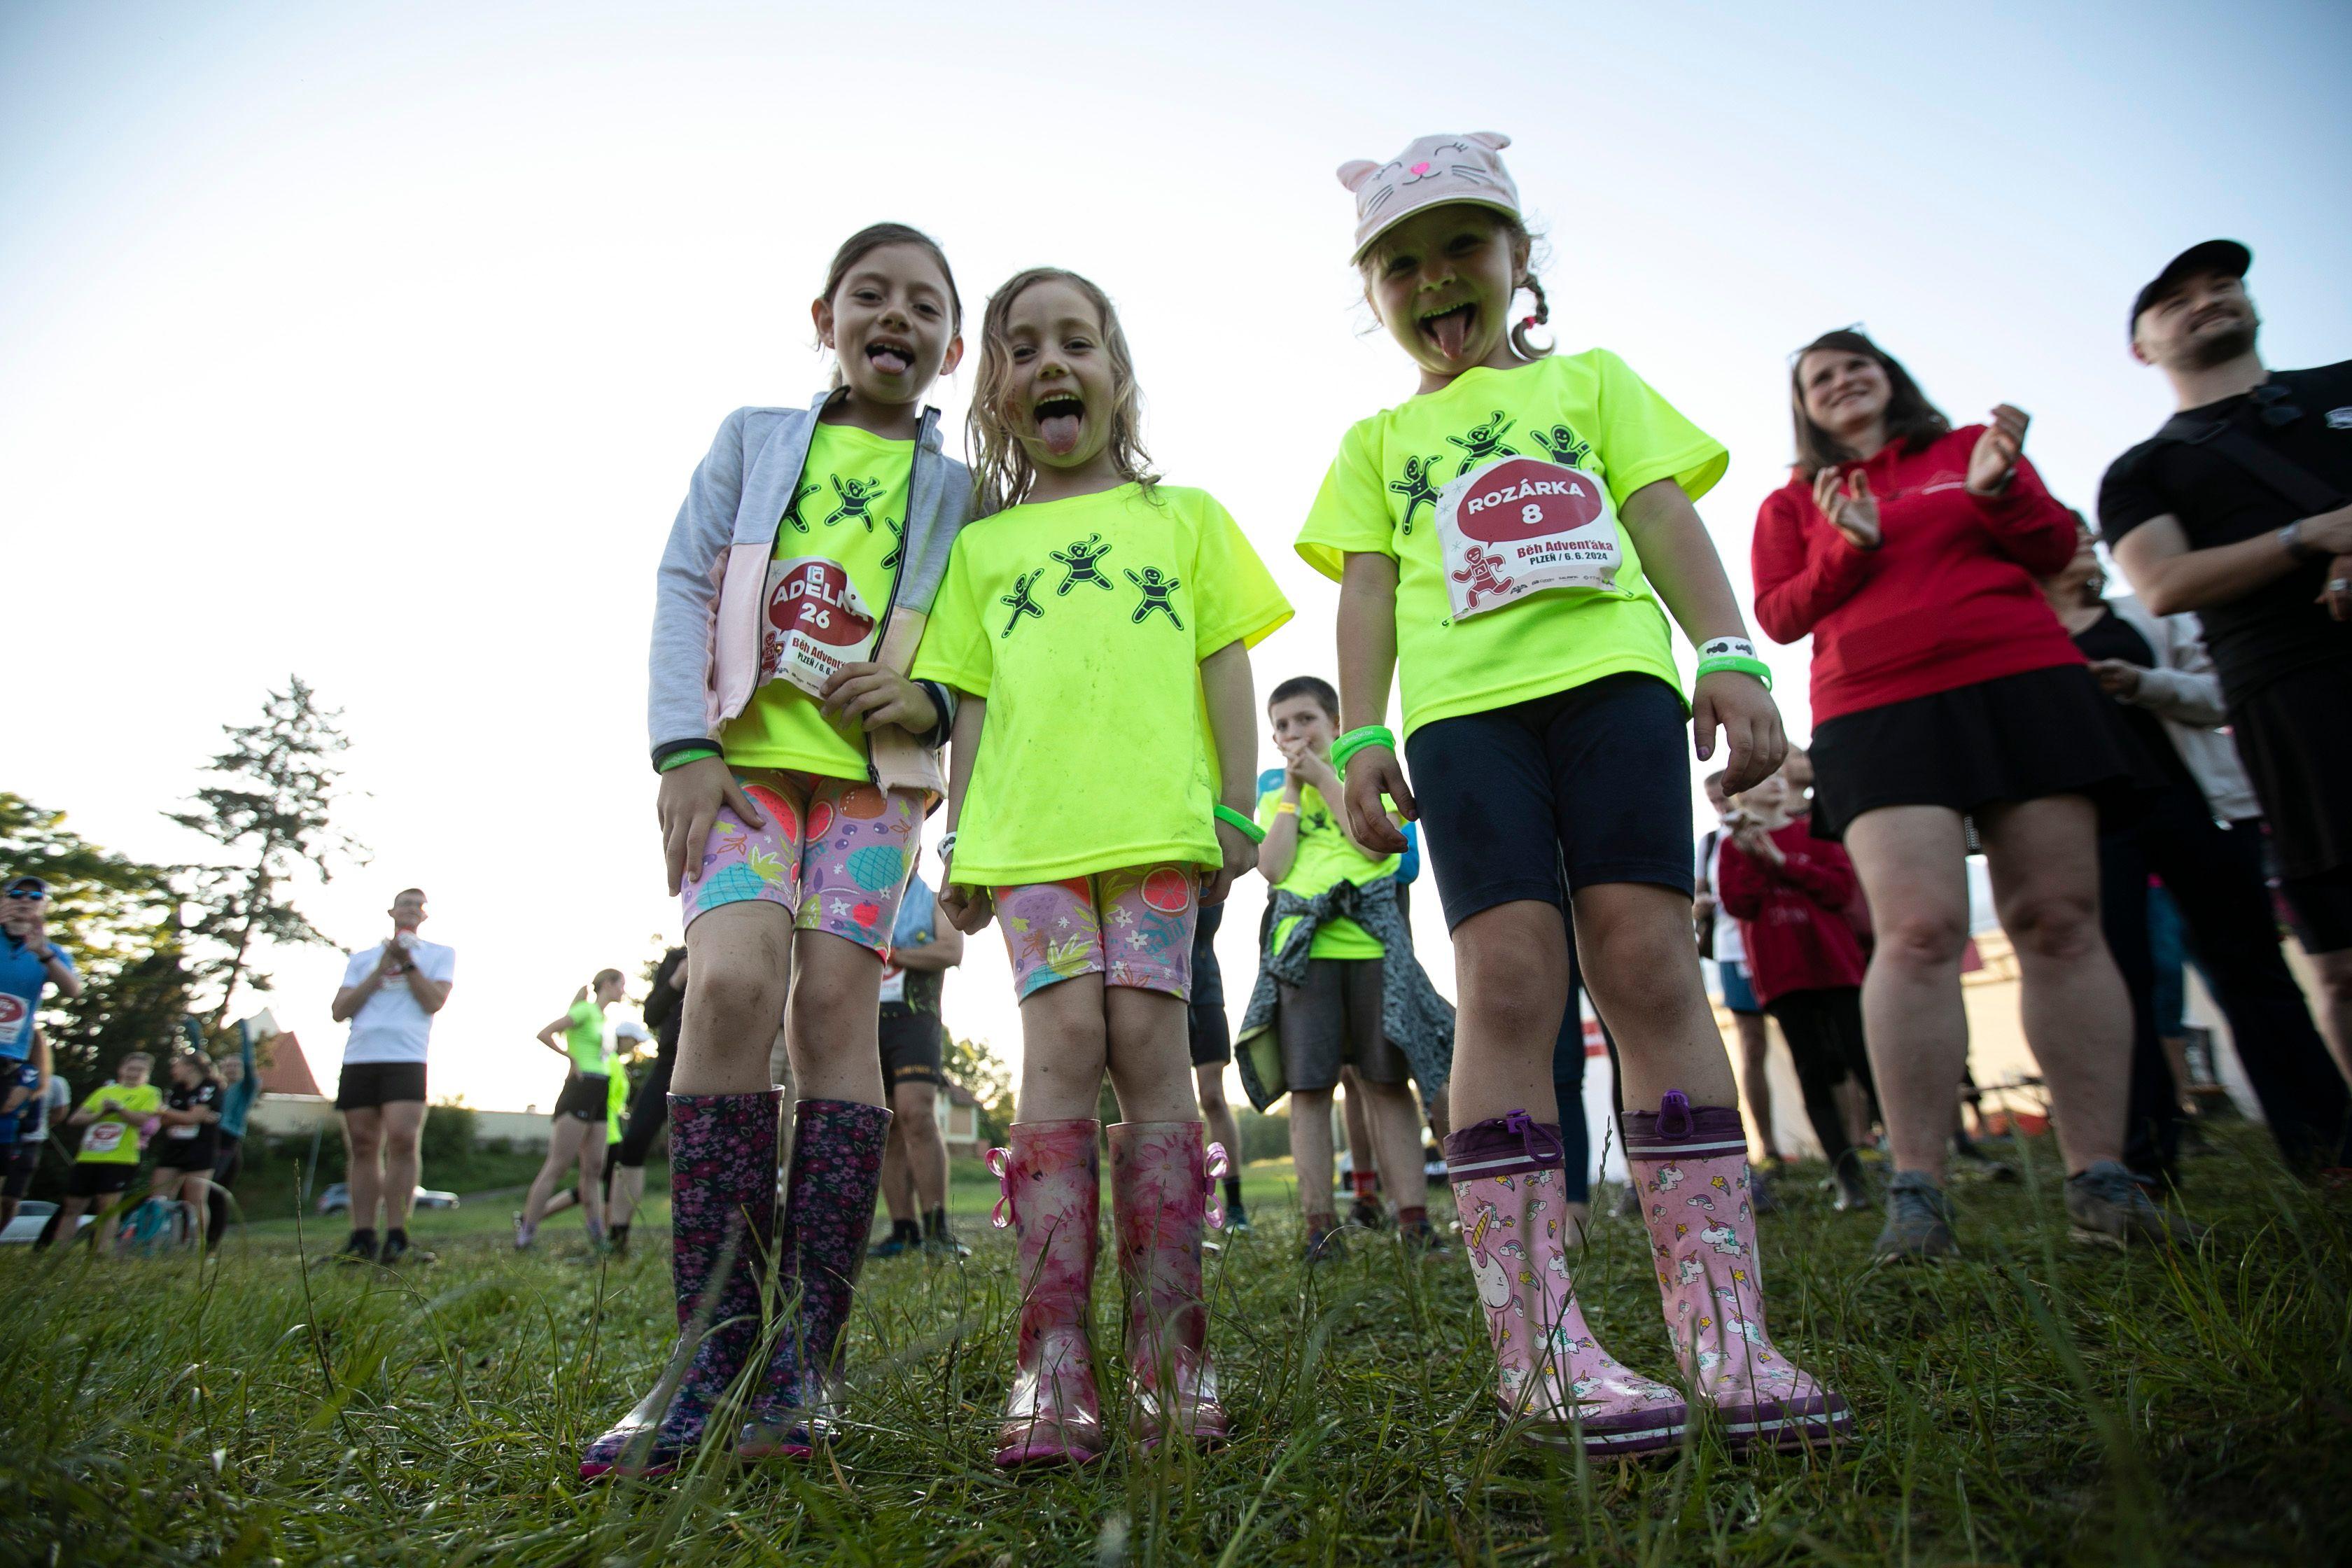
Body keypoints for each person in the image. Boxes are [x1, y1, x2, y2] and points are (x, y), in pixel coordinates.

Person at [1308, 131, 1844, 1457]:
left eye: (1463, 248)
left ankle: (1726, 1333)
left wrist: (1727, 652)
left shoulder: (1596, 383)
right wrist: (1362, 732)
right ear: (1372, 295)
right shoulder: (1377, 440)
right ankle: (1539, 1350)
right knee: (1507, 979)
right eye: (1402, 266)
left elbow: (1661, 516)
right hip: (1464, 720)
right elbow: (1366, 589)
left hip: (1618, 692)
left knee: (1649, 966)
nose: (1437, 281)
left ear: (1519, 258)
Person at [586, 225, 974, 1481]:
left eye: (925, 305)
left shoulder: (962, 492)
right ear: (825, 317)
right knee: (730, 987)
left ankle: (806, 1361)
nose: (896, 317)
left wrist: (930, 705)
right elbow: (684, 581)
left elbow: (974, 643)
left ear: (951, 348)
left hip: (872, 789)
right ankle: (709, 1353)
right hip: (743, 768)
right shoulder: (753, 438)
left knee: (836, 1014)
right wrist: (681, 744)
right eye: (872, 295)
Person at [918, 267, 1290, 1467]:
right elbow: (971, 704)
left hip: (1159, 835)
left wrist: (1236, 805)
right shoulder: (984, 548)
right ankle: (1053, 1363)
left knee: (1149, 1045)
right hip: (1028, 841)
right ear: (997, 391)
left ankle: (1174, 1354)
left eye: (1076, 342)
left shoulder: (1186, 519)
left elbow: (1226, 660)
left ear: (1117, 376)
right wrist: (961, 838)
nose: (1051, 364)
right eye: (1022, 348)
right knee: (1065, 1043)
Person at [1754, 326, 2194, 1260]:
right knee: (1917, 931)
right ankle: (1917, 1190)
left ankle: (2100, 1179)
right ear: (1804, 405)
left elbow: (2054, 547)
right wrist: (1848, 547)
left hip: (2021, 679)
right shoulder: (1796, 499)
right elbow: (1782, 613)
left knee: (2060, 920)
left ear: (1889, 377)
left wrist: (2000, 488)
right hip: (1876, 707)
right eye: (1821, 377)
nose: (1842, 382)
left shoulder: (1970, 451)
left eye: (1857, 365)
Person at [2099, 239, 2352, 1087]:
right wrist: (2309, 537)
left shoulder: (2342, 386)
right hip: (2291, 699)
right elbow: (2165, 582)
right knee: (2340, 956)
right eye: (2177, 301)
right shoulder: (2143, 471)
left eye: (2223, 284)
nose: (2208, 300)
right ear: (2142, 347)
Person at [2038, 515, 2351, 1178]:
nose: (2089, 541)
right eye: (2071, 532)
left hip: (2193, 807)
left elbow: (2221, 695)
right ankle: (2144, 1167)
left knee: (2253, 969)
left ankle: (2325, 1146)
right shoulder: (2021, 639)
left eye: (2090, 533)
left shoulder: (2146, 617)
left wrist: (2142, 683)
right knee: (2117, 987)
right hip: (2094, 829)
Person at [1242, 673, 1450, 1258]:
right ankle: (1320, 1227)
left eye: (1305, 720)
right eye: (1282, 725)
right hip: (1304, 954)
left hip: (1373, 947)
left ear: (1334, 724)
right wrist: (1292, 791)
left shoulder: (1362, 781)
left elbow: (1373, 846)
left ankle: (1414, 1220)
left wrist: (1326, 781)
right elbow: (1273, 867)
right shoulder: (1274, 794)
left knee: (1386, 1082)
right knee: (1309, 1088)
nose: (1294, 733)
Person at [1714, 772, 1877, 1210]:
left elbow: (1841, 889)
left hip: (1836, 965)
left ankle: (1902, 1158)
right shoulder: (1731, 848)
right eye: (1762, 777)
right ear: (1740, 793)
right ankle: (1846, 1174)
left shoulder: (1813, 831)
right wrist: (1755, 857)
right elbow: (1739, 904)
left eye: (1779, 775)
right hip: (1782, 972)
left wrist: (1781, 861)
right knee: (1811, 1069)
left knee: (1863, 1058)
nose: (1775, 782)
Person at [328, 888, 455, 1265]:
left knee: (403, 1138)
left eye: (418, 905)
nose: (411, 909)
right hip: (361, 1056)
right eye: (405, 904)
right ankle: (362, 1236)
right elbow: (340, 1010)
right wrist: (382, 966)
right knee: (363, 1145)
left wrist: (407, 964)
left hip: (406, 1056)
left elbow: (433, 1001)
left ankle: (398, 1235)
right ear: (392, 911)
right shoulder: (363, 959)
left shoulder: (439, 955)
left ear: (425, 916)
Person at [869, 874, 968, 1259]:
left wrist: (893, 954)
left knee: (917, 1115)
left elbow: (950, 950)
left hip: (915, 1020)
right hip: (867, 1021)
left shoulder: (933, 900)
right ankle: (903, 1230)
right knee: (887, 1125)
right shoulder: (863, 892)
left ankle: (937, 1230)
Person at [1695, 771, 1781, 1169]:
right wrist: (1701, 906)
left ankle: (1852, 1138)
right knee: (1751, 1045)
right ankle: (1768, 1147)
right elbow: (1699, 894)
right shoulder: (1710, 843)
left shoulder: (1770, 829)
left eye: (1725, 796)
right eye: (1713, 800)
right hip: (1733, 951)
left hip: (1778, 942)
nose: (1721, 805)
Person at [517, 970, 624, 1249]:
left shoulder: (602, 1018)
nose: (623, 991)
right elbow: (545, 1033)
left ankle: (598, 1238)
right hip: (580, 1089)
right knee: (559, 1165)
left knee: (595, 1168)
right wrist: (571, 1058)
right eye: (621, 985)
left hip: (600, 1090)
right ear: (608, 984)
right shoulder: (585, 1010)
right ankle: (526, 1234)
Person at [38, 1051, 162, 1250]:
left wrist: (120, 1109)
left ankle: (101, 1252)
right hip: (89, 1156)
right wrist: (101, 1113)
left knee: (108, 1207)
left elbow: (142, 1120)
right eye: (131, 1068)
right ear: (121, 1069)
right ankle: (58, 1250)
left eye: (140, 1070)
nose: (133, 1073)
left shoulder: (150, 1093)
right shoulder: (103, 1092)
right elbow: (75, 1119)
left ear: (147, 1073)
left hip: (120, 1159)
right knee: (72, 1206)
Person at [608, 946, 685, 1252]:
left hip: (716, 1061)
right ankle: (617, 1238)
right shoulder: (676, 959)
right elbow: (651, 1015)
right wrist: (678, 979)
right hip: (669, 1061)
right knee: (634, 1140)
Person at [1184, 902, 1250, 1233]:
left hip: (1206, 995)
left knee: (1212, 1097)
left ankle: (1235, 1205)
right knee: (1174, 1099)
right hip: (1160, 989)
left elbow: (1208, 917)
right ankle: (1181, 1203)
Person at [148, 1051, 224, 1249]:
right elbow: (164, 1121)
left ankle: (196, 1244)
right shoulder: (177, 1089)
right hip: (174, 1147)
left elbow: (191, 1118)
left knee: (195, 1199)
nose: (173, 1070)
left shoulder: (210, 1087)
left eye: (177, 1065)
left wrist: (166, 1110)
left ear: (190, 1067)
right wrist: (183, 1116)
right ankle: (156, 1241)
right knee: (158, 1196)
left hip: (201, 1149)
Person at [2, 877, 81, 1064]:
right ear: (3, 900)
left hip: (10, 1052)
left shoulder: (52, 952)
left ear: (45, 906)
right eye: (16, 894)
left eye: (35, 896)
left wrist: (43, 953)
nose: (25, 900)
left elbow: (73, 991)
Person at [205, 1023, 261, 1250]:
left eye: (235, 1065)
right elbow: (201, 1063)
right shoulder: (218, 1090)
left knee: (217, 1193)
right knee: (201, 1190)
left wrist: (244, 1031)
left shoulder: (246, 1088)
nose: (231, 1068)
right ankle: (195, 1236)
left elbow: (249, 1063)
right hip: (210, 1142)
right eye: (227, 1065)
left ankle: (212, 1242)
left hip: (229, 1144)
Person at [0, 1025, 51, 1231]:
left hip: (10, 1141)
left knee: (8, 1198)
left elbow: (10, 1107)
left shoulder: (28, 1072)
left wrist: (19, 1117)